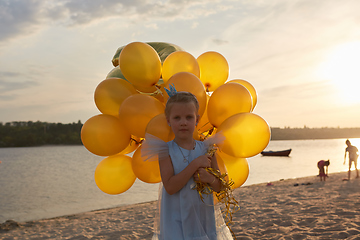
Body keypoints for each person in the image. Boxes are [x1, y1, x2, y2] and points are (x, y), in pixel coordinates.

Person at [144, 90, 233, 240]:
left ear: (196, 120)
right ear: (168, 121)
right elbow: (170, 187)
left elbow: (220, 187)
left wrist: (209, 179)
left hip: (203, 218)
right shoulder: (165, 150)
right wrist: (195, 164)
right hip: (175, 220)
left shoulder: (207, 148)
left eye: (189, 117)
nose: (183, 122)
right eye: (177, 118)